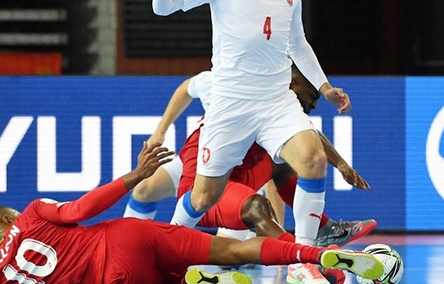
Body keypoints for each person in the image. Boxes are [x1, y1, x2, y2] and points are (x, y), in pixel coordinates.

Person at [0, 143, 384, 284]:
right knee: (236, 247)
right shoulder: (37, 215)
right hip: (126, 236)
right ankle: (316, 256)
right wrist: (131, 178)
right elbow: (83, 211)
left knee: (160, 283)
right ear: (12, 216)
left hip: (115, 283)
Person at [152, 0, 353, 284]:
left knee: (313, 158)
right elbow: (164, 8)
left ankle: (302, 259)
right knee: (203, 195)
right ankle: (167, 248)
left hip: (276, 100)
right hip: (231, 105)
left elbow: (298, 43)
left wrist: (324, 87)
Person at [123, 66, 375, 249]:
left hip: (235, 176)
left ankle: (311, 241)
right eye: (313, 97)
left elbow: (310, 140)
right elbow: (186, 88)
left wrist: (340, 164)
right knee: (144, 190)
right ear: (293, 85)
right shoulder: (226, 82)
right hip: (203, 163)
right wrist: (159, 132)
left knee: (280, 169)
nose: (314, 104)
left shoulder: (283, 106)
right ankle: (133, 246)